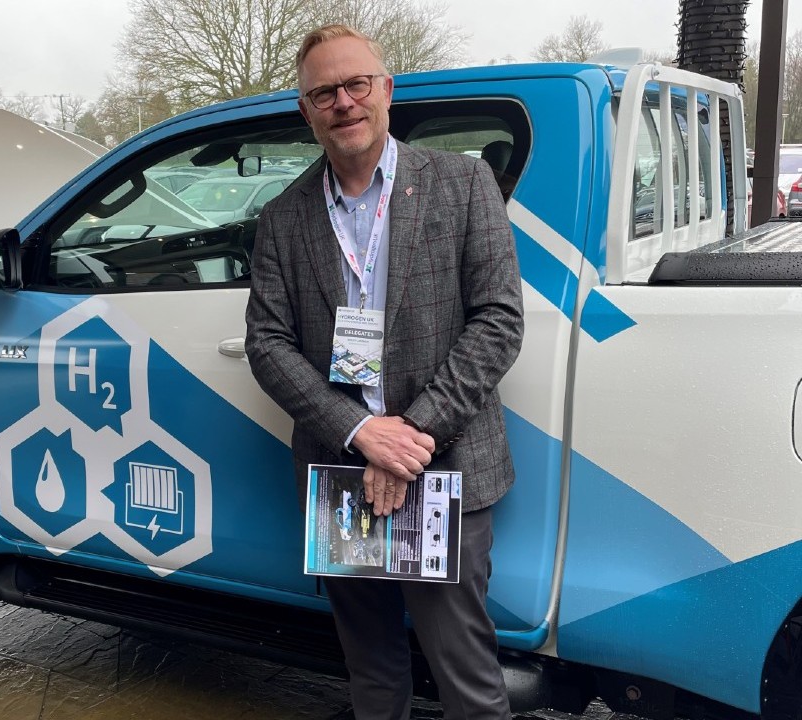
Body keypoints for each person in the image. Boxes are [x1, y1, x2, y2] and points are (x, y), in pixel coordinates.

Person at [244, 24, 524, 720]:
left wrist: (409, 439)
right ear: (306, 111)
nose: (343, 101)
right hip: (343, 476)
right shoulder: (283, 218)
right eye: (323, 93)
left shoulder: (462, 184)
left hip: (446, 467)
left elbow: (498, 322)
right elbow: (267, 343)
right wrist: (362, 432)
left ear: (387, 91)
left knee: (467, 680)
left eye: (356, 84)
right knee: (370, 673)